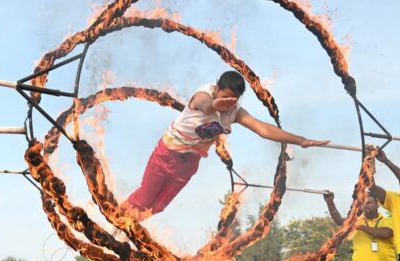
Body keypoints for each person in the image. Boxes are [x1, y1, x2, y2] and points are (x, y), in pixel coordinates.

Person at [123, 71, 330, 220]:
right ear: (217, 88)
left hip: (188, 165)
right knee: (144, 199)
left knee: (158, 206)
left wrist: (301, 141)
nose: (228, 103)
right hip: (167, 154)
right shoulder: (203, 94)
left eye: (233, 100)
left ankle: (126, 226)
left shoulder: (234, 111)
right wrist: (214, 105)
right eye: (225, 97)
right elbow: (204, 105)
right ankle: (117, 217)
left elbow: (262, 128)